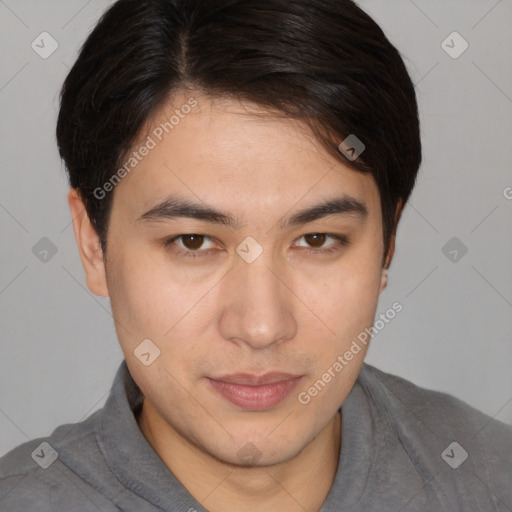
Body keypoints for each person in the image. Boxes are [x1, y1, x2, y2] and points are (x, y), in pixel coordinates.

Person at [0, 0, 510, 511]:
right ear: (94, 245)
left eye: (316, 240)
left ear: (388, 242)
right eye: (193, 242)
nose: (261, 326)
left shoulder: (489, 477)